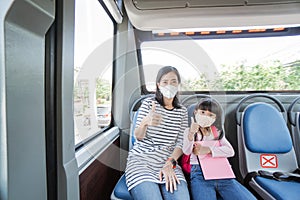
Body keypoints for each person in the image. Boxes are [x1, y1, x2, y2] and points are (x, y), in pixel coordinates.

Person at [125, 66, 190, 200]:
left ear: (178, 84)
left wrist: (170, 163)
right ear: (158, 85)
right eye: (165, 82)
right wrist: (145, 122)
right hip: (142, 162)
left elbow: (181, 142)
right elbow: (138, 136)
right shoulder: (148, 104)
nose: (169, 85)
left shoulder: (182, 111)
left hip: (169, 161)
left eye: (173, 81)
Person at [183, 98, 256, 200]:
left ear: (215, 118)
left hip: (222, 173)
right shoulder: (189, 131)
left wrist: (209, 150)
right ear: (196, 112)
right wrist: (191, 134)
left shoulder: (216, 131)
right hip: (200, 174)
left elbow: (230, 151)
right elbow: (186, 151)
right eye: (202, 112)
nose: (205, 116)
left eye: (210, 115)